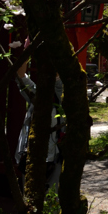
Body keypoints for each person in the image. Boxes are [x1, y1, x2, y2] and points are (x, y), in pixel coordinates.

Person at [14, 47, 64, 191]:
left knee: (52, 195)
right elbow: (20, 77)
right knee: (30, 193)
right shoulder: (37, 94)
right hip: (31, 153)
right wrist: (27, 51)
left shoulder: (63, 95)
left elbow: (58, 80)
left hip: (56, 156)